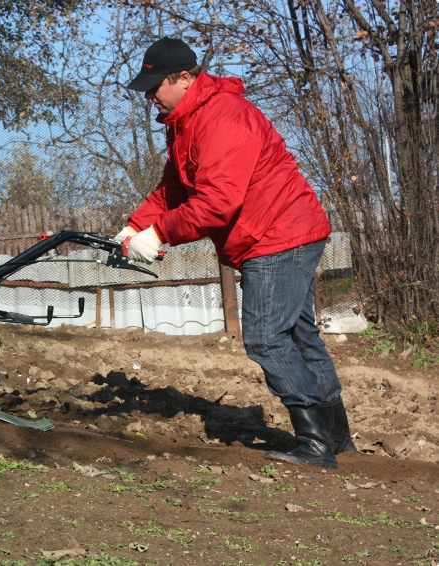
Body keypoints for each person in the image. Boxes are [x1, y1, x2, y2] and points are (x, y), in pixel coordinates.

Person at [115, 37, 356, 469]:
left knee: (265, 337)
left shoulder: (223, 118)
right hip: (281, 232)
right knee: (301, 335)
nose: (149, 94)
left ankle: (315, 443)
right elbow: (172, 189)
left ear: (185, 78)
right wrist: (136, 226)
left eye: (155, 85)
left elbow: (217, 202)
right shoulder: (186, 123)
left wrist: (160, 234)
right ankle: (336, 438)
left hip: (277, 234)